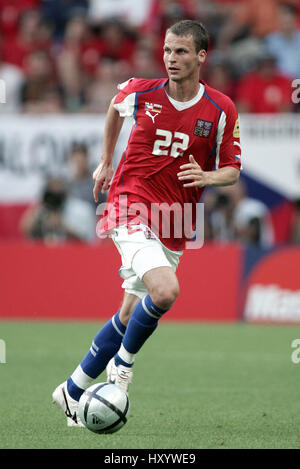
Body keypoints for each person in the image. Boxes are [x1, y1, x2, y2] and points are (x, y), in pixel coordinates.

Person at [52, 19, 241, 427]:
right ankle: (122, 367)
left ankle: (71, 389)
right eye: (168, 51)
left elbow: (232, 170)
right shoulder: (142, 91)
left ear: (201, 56)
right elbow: (114, 107)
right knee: (166, 290)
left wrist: (207, 177)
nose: (171, 59)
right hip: (128, 204)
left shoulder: (221, 109)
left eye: (182, 52)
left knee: (128, 312)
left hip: (176, 219)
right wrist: (106, 160)